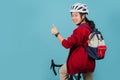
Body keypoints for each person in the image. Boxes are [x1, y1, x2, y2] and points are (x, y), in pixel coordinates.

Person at [51, 3, 96, 80]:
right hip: (90, 62)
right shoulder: (90, 27)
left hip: (79, 62)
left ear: (83, 16)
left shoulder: (80, 30)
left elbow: (67, 44)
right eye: (72, 15)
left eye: (76, 15)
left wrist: (57, 34)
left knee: (62, 71)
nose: (73, 18)